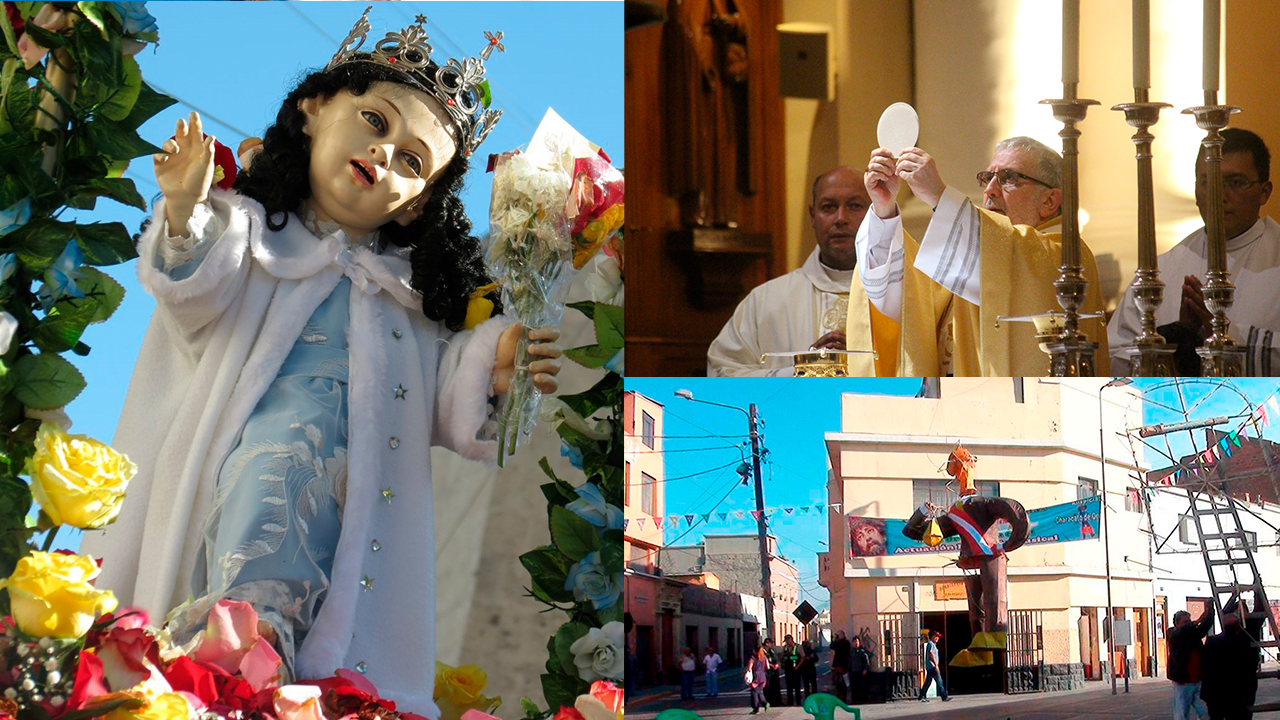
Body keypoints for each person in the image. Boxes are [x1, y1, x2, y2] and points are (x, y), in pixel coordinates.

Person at [78, 10, 563, 712]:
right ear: (312, 110)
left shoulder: (411, 305)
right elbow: (192, 296)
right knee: (251, 545)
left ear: (415, 204)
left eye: (413, 161)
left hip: (351, 505)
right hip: (246, 465)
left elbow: (447, 402)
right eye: (375, 121)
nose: (385, 154)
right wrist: (185, 214)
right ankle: (230, 660)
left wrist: (498, 360)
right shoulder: (250, 234)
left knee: (326, 622)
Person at [854, 137, 1108, 376]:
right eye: (987, 178)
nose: (990, 190)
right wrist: (884, 211)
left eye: (1008, 178)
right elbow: (909, 299)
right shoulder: (969, 255)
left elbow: (1014, 253)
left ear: (1050, 201)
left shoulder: (1068, 257)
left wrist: (937, 195)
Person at [1109, 128, 1278, 375]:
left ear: (1264, 192)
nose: (1219, 196)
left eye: (1236, 183)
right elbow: (1114, 355)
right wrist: (1175, 340)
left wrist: (1224, 335)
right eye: (1208, 182)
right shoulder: (1160, 271)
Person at [708, 167, 873, 375]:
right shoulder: (765, 301)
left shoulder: (898, 297)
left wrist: (862, 365)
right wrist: (803, 371)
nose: (841, 218)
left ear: (873, 213)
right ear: (813, 215)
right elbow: (723, 372)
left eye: (854, 206)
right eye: (829, 207)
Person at [1202, 595, 1266, 720]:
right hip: (1241, 687)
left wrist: (1233, 597)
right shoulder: (1248, 633)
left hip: (1216, 691)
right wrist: (1257, 591)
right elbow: (1260, 611)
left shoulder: (1212, 641)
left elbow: (1225, 613)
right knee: (1242, 715)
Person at [1168, 605, 1214, 720]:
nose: (1188, 624)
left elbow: (1205, 627)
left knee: (1204, 712)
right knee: (1182, 714)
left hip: (1198, 681)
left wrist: (1210, 613)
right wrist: (1197, 620)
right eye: (1185, 622)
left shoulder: (1193, 635)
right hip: (1183, 682)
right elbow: (1182, 631)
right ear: (1177, 624)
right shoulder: (1174, 635)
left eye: (1189, 621)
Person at [919, 630, 949, 702]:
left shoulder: (931, 644)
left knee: (928, 682)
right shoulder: (931, 644)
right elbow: (930, 654)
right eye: (936, 637)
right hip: (932, 667)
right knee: (939, 682)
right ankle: (944, 696)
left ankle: (922, 695)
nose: (937, 638)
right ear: (932, 637)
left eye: (938, 637)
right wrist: (936, 665)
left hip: (930, 667)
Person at [849, 634, 874, 703]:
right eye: (854, 642)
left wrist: (865, 669)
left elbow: (866, 661)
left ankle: (863, 699)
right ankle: (854, 700)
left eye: (857, 641)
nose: (856, 643)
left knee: (862, 686)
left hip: (861, 672)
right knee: (854, 687)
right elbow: (849, 662)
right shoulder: (851, 652)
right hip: (853, 672)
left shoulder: (862, 651)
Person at [829, 630, 851, 701]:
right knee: (837, 682)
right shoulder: (839, 642)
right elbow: (831, 646)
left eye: (838, 635)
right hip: (838, 664)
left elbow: (834, 646)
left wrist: (836, 639)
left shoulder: (845, 643)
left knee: (843, 682)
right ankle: (839, 696)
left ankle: (842, 697)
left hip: (843, 665)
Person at [748, 645, 770, 714]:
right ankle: (765, 703)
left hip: (755, 677)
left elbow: (749, 668)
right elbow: (767, 667)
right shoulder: (764, 657)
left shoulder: (753, 658)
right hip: (763, 677)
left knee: (754, 693)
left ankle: (756, 708)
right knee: (760, 692)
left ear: (755, 651)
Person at [781, 634, 802, 705]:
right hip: (788, 669)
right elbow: (783, 657)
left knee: (797, 686)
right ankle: (790, 701)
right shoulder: (785, 648)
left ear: (791, 640)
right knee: (789, 686)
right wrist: (782, 663)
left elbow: (803, 657)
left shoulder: (798, 647)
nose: (786, 643)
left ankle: (798, 701)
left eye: (787, 641)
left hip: (796, 670)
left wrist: (798, 666)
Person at [763, 638, 783, 707]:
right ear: (767, 644)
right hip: (766, 671)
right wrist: (770, 665)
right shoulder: (762, 651)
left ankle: (776, 701)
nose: (772, 644)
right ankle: (767, 702)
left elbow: (776, 658)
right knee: (767, 687)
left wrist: (777, 664)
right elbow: (762, 661)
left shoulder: (772, 650)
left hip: (774, 671)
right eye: (771, 643)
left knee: (775, 687)